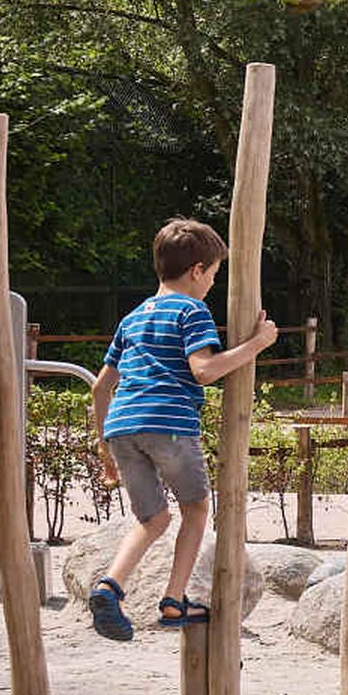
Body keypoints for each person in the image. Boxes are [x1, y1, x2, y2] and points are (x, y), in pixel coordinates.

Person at [84, 218, 279, 642]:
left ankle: (108, 587)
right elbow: (204, 370)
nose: (211, 283)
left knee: (152, 519)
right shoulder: (192, 311)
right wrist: (257, 345)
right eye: (212, 274)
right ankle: (174, 600)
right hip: (168, 423)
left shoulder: (133, 318)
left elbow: (101, 388)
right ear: (196, 270)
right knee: (195, 510)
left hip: (121, 428)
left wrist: (104, 450)